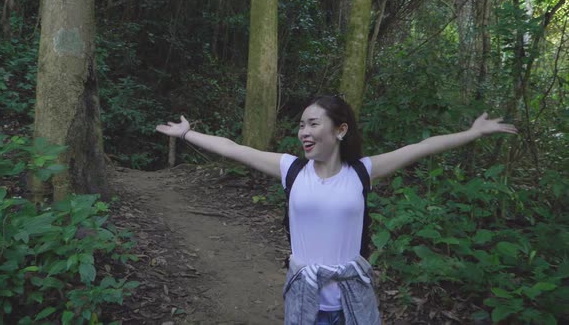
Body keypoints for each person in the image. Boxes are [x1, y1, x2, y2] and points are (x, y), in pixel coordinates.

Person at [155, 95, 517, 325]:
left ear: (340, 129)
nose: (304, 132)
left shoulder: (362, 172)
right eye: (301, 125)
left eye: (313, 123)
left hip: (352, 300)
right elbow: (233, 148)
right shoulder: (291, 169)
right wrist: (188, 135)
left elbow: (421, 147)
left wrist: (472, 133)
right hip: (304, 299)